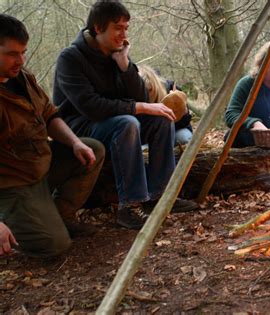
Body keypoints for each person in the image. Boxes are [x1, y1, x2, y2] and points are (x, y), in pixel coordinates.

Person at [53, 1, 197, 230]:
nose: (123, 34)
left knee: (161, 119)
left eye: (126, 28)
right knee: (128, 122)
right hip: (79, 127)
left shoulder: (116, 54)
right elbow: (90, 106)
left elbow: (140, 95)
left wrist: (124, 65)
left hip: (113, 121)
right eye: (118, 28)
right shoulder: (70, 58)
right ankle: (129, 207)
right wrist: (138, 108)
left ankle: (161, 195)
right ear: (98, 28)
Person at [0, 14, 105, 257]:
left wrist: (75, 143)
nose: (20, 60)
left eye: (23, 52)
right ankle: (17, 221)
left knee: (93, 149)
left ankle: (58, 215)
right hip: (13, 185)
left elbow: (48, 115)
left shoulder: (22, 77)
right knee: (55, 245)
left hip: (40, 167)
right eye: (12, 54)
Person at [138, 65, 193, 146]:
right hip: (146, 137)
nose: (148, 94)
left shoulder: (171, 88)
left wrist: (183, 112)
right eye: (144, 91)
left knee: (184, 138)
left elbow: (185, 123)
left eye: (150, 90)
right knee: (144, 148)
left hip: (176, 130)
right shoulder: (133, 98)